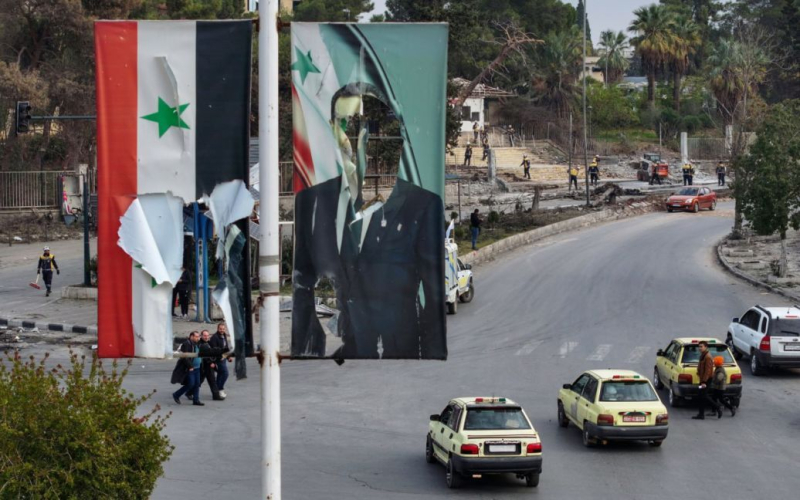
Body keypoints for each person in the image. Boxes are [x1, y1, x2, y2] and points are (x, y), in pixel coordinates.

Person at [291, 83, 446, 360]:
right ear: (331, 129)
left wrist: (431, 350)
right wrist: (307, 345)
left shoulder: (423, 204)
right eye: (345, 125)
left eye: (369, 127)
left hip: (401, 342)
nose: (359, 138)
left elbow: (433, 289)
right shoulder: (312, 200)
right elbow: (302, 278)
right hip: (348, 344)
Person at [171, 331, 204, 406]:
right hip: (190, 368)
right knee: (191, 384)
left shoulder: (197, 344)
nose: (197, 338)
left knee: (197, 384)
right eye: (196, 336)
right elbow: (184, 357)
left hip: (197, 368)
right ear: (191, 336)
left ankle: (196, 400)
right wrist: (190, 366)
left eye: (198, 336)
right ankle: (176, 395)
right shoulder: (186, 344)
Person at [693, 341, 721, 420]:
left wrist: (703, 382)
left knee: (703, 395)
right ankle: (701, 414)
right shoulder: (703, 355)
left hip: (706, 380)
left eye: (701, 346)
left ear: (706, 347)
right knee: (701, 396)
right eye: (699, 346)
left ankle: (717, 407)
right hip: (702, 379)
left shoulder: (708, 357)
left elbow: (708, 371)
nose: (700, 348)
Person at [198, 330, 224, 401]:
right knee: (203, 380)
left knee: (209, 380)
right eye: (204, 335)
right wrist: (211, 362)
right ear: (201, 336)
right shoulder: (200, 344)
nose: (206, 337)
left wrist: (214, 361)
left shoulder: (209, 343)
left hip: (208, 365)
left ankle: (216, 395)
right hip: (204, 366)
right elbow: (204, 356)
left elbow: (212, 353)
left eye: (207, 335)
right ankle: (216, 395)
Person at [209, 322, 231, 398]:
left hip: (223, 358)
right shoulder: (214, 337)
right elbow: (214, 350)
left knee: (220, 374)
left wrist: (228, 357)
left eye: (223, 329)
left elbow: (226, 347)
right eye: (220, 329)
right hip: (219, 359)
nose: (222, 330)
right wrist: (214, 361)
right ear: (217, 329)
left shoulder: (224, 335)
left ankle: (217, 390)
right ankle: (220, 388)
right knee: (225, 373)